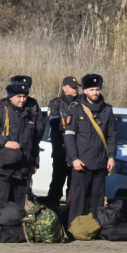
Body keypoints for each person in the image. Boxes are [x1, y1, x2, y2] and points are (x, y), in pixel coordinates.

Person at [63, 73, 116, 225]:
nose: (95, 93)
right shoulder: (76, 110)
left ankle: (95, 227)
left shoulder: (107, 110)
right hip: (81, 164)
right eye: (92, 89)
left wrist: (111, 156)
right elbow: (69, 137)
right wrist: (74, 159)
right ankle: (73, 227)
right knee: (78, 199)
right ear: (84, 91)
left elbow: (112, 135)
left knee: (98, 200)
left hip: (100, 163)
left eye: (97, 89)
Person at [0, 80, 38, 216]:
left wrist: (34, 162)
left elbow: (34, 141)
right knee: (1, 202)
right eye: (19, 96)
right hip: (4, 168)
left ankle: (16, 230)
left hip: (23, 167)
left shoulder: (30, 115)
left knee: (19, 202)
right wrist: (4, 142)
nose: (22, 100)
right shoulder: (1, 112)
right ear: (11, 97)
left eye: (24, 96)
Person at [46, 76, 80, 208]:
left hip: (78, 152)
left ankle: (71, 213)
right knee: (57, 183)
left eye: (76, 87)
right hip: (61, 150)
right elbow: (54, 123)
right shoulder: (56, 103)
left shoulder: (82, 102)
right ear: (64, 88)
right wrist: (73, 125)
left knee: (74, 186)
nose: (75, 89)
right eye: (72, 87)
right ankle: (52, 211)